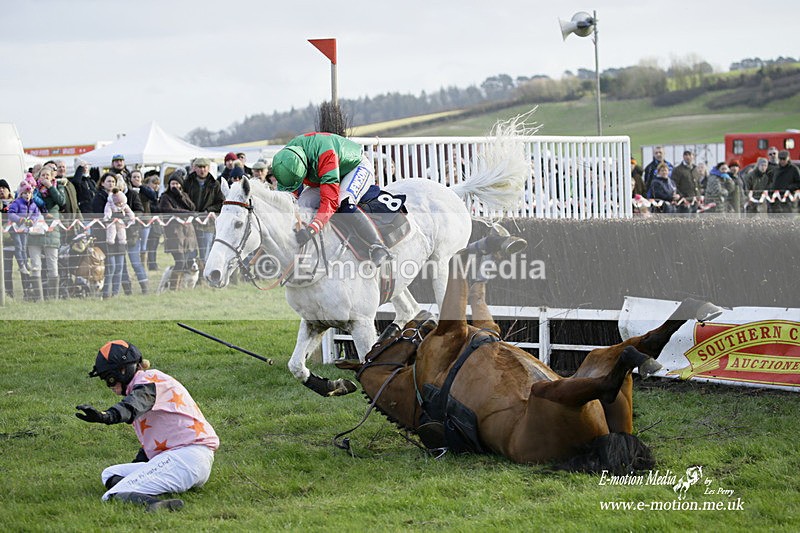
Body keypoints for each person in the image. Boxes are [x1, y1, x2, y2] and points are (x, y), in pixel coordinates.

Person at [75, 340, 218, 512]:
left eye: (110, 379)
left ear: (123, 370)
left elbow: (131, 406)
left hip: (185, 459)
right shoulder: (148, 383)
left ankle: (156, 506)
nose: (110, 386)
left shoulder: (149, 382)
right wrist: (141, 469)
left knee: (113, 495)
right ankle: (149, 491)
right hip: (186, 459)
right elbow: (155, 438)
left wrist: (106, 416)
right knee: (109, 474)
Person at [271, 132, 391, 266]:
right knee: (302, 204)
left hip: (354, 166)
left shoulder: (326, 155)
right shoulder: (283, 160)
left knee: (343, 200)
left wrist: (312, 229)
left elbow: (330, 202)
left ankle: (378, 246)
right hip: (324, 171)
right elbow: (287, 200)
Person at [29, 166, 66, 299]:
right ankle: (39, 298)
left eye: (47, 175)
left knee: (52, 263)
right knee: (35, 265)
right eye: (42, 175)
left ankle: (53, 298)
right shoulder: (32, 189)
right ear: (38, 177)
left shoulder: (58, 187)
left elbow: (62, 202)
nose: (45, 177)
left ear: (52, 177)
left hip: (52, 229)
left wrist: (51, 187)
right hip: (35, 228)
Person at [157, 169, 198, 289]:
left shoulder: (184, 195)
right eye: (172, 183)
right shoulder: (165, 197)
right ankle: (173, 286)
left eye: (177, 183)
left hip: (187, 233)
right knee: (179, 262)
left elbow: (192, 207)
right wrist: (186, 212)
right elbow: (168, 210)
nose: (174, 186)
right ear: (169, 185)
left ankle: (179, 286)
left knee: (185, 262)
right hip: (174, 233)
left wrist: (180, 196)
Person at [183, 158, 223, 263]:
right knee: (190, 251)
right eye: (199, 167)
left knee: (205, 252)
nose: (202, 170)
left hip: (207, 224)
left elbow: (221, 203)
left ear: (208, 168)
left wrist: (208, 210)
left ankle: (203, 276)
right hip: (190, 223)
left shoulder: (215, 184)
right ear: (194, 168)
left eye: (204, 167)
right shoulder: (187, 183)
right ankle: (192, 276)